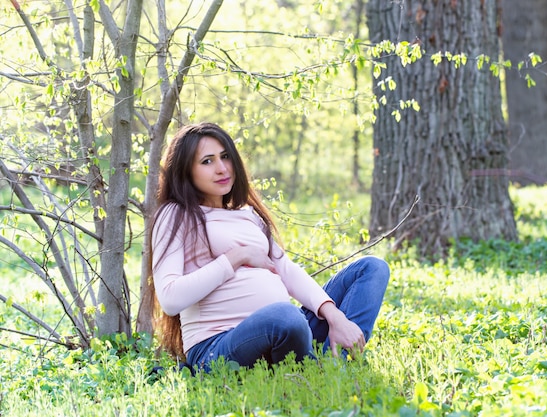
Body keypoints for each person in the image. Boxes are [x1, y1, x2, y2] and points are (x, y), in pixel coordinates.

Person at [150, 122, 389, 372]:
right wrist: (236, 257)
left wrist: (335, 316)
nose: (221, 168)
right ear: (186, 171)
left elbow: (285, 270)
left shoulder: (247, 214)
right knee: (285, 317)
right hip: (219, 347)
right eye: (207, 161)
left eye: (225, 157)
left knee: (371, 269)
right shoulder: (176, 215)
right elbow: (170, 298)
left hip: (287, 334)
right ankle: (319, 369)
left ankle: (332, 363)